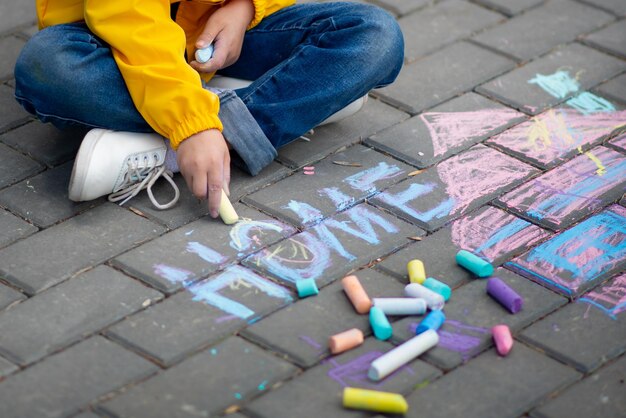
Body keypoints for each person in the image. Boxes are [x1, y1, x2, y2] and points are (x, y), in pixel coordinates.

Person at [14, 0, 404, 218]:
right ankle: (260, 109)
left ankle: (172, 147)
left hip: (218, 35)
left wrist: (245, 8)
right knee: (48, 66)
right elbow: (131, 24)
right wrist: (192, 124)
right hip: (114, 45)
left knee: (374, 34)